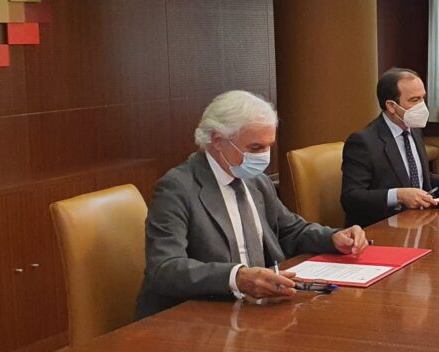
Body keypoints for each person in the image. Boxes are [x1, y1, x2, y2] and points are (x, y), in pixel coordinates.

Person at [135, 90, 367, 317]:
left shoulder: (256, 180)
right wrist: (237, 277)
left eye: (269, 146)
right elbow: (164, 268)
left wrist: (333, 238)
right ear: (218, 141)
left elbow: (289, 230)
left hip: (257, 309)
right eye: (255, 148)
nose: (264, 156)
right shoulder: (177, 188)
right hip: (197, 316)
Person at [340, 67, 439, 228]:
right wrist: (399, 195)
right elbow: (351, 198)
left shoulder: (413, 129)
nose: (422, 106)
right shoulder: (363, 142)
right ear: (391, 106)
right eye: (414, 100)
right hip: (385, 228)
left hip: (420, 221)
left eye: (423, 98)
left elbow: (416, 176)